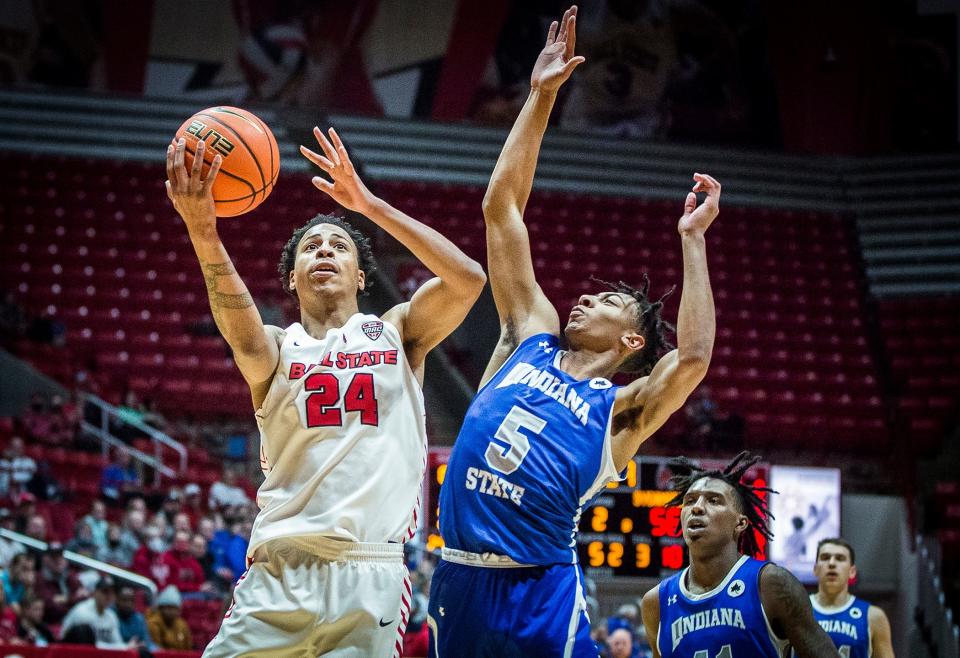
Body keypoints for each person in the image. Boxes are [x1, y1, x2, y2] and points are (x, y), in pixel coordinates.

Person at [429, 7, 718, 656]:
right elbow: (500, 208)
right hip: (459, 578)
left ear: (633, 343)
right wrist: (540, 98)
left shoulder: (619, 412)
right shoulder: (526, 336)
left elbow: (694, 358)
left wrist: (692, 242)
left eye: (609, 299)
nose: (584, 296)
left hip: (541, 594)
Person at [165, 113, 485, 656]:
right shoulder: (274, 347)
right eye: (312, 247)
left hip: (370, 571)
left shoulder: (399, 332)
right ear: (291, 278)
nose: (324, 251)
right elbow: (238, 333)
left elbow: (469, 279)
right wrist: (202, 228)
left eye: (339, 245)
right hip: (279, 570)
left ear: (363, 276)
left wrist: (369, 206)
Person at [640, 453, 840, 657]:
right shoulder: (656, 602)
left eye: (713, 500)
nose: (697, 508)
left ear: (740, 523)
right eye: (690, 501)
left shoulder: (771, 584)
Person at [805, 538, 895, 658]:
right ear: (815, 569)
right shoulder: (797, 611)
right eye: (825, 557)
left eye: (840, 558)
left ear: (852, 571)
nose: (831, 563)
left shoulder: (873, 616)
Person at [60, 576, 139, 649]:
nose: (109, 596)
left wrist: (126, 647)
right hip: (67, 651)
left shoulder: (111, 616)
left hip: (92, 654)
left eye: (112, 593)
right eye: (105, 592)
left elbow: (117, 643)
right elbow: (90, 645)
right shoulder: (82, 612)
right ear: (94, 593)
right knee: (84, 631)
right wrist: (125, 647)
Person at [147, 585, 193, 650]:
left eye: (174, 608)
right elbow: (157, 650)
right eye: (168, 608)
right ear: (161, 608)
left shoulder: (182, 625)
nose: (171, 612)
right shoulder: (153, 623)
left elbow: (188, 649)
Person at [115, 585, 154, 650]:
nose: (128, 604)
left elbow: (147, 641)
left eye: (131, 600)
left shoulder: (139, 618)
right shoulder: (111, 616)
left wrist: (143, 644)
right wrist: (128, 646)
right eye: (124, 600)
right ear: (117, 600)